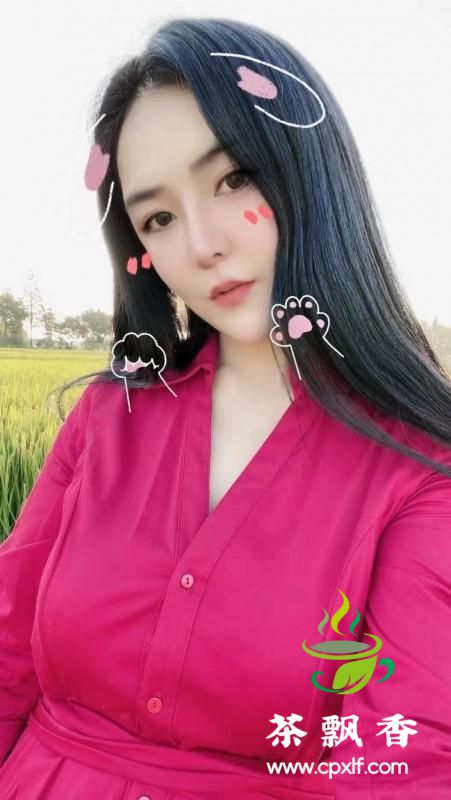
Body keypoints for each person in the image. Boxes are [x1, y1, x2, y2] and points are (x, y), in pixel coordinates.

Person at [1, 15, 451, 800]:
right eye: (159, 218)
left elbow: (400, 763)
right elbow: (7, 650)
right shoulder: (108, 418)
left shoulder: (417, 471)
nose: (202, 244)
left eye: (234, 178)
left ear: (312, 173)